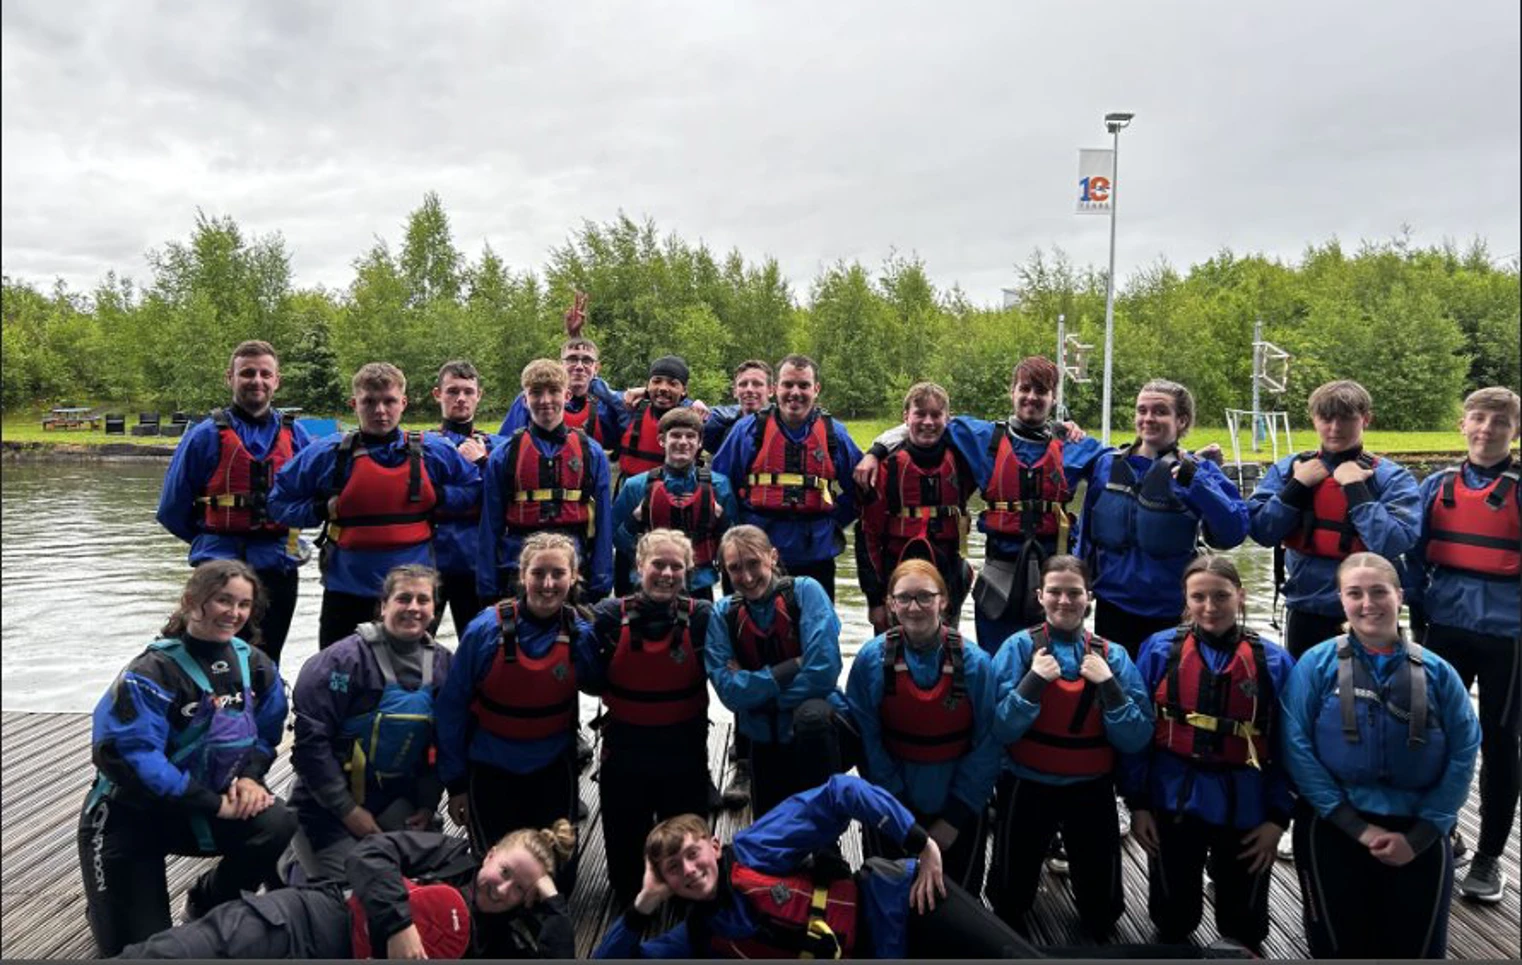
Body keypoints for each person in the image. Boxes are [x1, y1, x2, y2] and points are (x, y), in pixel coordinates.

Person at [77, 561, 295, 956]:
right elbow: (133, 757)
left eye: (244, 604)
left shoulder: (256, 666)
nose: (234, 613)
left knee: (278, 822)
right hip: (130, 815)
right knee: (142, 951)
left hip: (203, 808)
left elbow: (266, 733)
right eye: (222, 600)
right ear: (192, 601)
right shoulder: (152, 672)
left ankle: (209, 901)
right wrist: (213, 803)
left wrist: (249, 777)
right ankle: (111, 908)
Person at [593, 774, 1044, 959]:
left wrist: (919, 840)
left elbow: (841, 792)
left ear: (714, 845)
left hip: (904, 902)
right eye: (673, 870)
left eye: (692, 855)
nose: (689, 872)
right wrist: (644, 903)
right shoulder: (695, 936)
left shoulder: (754, 849)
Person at [1281, 552, 1480, 959]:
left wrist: (1424, 833)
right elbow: (1295, 747)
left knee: (1417, 950)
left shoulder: (1440, 672)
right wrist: (1355, 826)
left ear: (1399, 595)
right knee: (1337, 949)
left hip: (1418, 830)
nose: (1367, 604)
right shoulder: (1315, 665)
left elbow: (1464, 751)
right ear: (1341, 599)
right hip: (1333, 825)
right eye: (1355, 593)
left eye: (1378, 592)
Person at [854, 357, 1104, 653]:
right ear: (1012, 392)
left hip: (1052, 571)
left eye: (1042, 391)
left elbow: (1122, 463)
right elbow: (924, 425)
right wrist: (876, 450)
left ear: (1054, 398)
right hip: (1000, 570)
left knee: (1054, 659)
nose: (1032, 397)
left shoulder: (1076, 447)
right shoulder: (980, 438)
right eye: (1025, 389)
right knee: (996, 662)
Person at [1121, 555, 1296, 953]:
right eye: (1198, 597)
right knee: (1173, 919)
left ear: (1240, 596)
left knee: (1245, 928)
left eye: (1221, 596)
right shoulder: (1158, 650)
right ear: (1185, 601)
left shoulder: (1274, 662)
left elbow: (1289, 747)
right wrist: (1139, 804)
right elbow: (1137, 734)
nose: (1210, 606)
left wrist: (1277, 818)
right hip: (1173, 796)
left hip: (1246, 801)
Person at [115, 822, 577, 960]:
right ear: (491, 852)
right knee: (184, 951)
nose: (502, 888)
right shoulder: (446, 854)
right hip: (316, 920)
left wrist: (552, 901)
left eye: (521, 888)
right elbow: (369, 855)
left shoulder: (501, 942)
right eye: (505, 870)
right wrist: (399, 926)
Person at [988, 555, 1153, 937]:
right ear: (1040, 596)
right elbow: (998, 729)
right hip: (1027, 783)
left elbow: (1137, 737)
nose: (1065, 601)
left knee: (1103, 913)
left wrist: (1110, 687)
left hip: (1090, 787)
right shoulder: (1017, 649)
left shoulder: (1114, 656)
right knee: (1008, 904)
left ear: (1089, 597)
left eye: (1074, 592)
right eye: (1056, 592)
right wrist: (1031, 683)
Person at [268, 362, 480, 649]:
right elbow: (279, 503)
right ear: (354, 403)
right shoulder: (326, 454)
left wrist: (440, 497)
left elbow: (473, 489)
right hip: (346, 588)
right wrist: (319, 509)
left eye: (389, 401)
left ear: (403, 403)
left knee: (411, 685)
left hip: (412, 591)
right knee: (338, 679)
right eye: (369, 402)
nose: (380, 411)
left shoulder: (434, 451)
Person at [437, 533, 599, 895]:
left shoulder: (581, 633)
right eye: (538, 573)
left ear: (573, 577)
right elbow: (451, 710)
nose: (547, 583)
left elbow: (600, 683)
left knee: (559, 883)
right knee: (496, 877)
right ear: (522, 576)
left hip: (552, 768)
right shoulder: (483, 631)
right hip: (492, 768)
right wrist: (456, 785)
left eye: (558, 573)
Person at [1408, 385, 1520, 904]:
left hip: (1508, 636)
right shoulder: (1437, 484)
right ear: (1463, 424)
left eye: (1499, 422)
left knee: (1500, 742)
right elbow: (1411, 555)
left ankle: (1490, 857)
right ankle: (1442, 830)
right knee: (1431, 732)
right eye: (1478, 418)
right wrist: (1413, 609)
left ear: (1513, 431)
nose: (1486, 429)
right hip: (1444, 627)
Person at [287, 565, 454, 882]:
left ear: (434, 609)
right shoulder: (340, 661)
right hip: (326, 805)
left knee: (436, 877)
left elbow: (440, 746)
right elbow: (311, 748)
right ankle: (290, 864)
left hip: (392, 798)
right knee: (350, 892)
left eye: (423, 600)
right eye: (404, 598)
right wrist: (347, 810)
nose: (414, 608)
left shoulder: (445, 665)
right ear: (383, 605)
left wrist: (428, 803)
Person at [845, 559, 1001, 893]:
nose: (914, 607)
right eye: (904, 598)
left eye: (925, 597)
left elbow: (989, 745)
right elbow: (868, 742)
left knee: (960, 900)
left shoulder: (977, 664)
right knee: (888, 895)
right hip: (893, 802)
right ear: (890, 604)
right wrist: (899, 813)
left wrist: (954, 817)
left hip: (956, 804)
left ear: (943, 601)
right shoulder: (869, 661)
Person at [156, 340, 313, 665]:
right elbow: (172, 510)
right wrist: (213, 538)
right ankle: (212, 714)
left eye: (264, 373)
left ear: (276, 380)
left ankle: (264, 713)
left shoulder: (296, 435)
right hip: (219, 565)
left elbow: (313, 498)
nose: (257, 380)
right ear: (230, 378)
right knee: (213, 657)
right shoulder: (204, 436)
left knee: (266, 659)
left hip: (278, 564)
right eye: (247, 373)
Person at [586, 530, 717, 908]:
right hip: (625, 751)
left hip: (684, 751)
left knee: (687, 880)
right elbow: (584, 676)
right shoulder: (608, 616)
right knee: (626, 886)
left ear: (688, 572)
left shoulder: (702, 617)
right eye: (658, 564)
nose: (667, 573)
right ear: (638, 567)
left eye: (677, 566)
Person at [1074, 379, 1249, 660]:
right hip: (1113, 606)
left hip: (1170, 610)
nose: (1148, 418)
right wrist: (1079, 583)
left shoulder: (1199, 471)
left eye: (1159, 411)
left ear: (1181, 420)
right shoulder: (1107, 465)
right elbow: (1085, 535)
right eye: (1142, 410)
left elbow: (1234, 532)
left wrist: (1198, 484)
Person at [1246, 379, 1421, 658]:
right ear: (1314, 419)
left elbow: (1393, 542)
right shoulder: (1289, 469)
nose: (1335, 428)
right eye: (1326, 418)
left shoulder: (1391, 478)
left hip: (1371, 610)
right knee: (1306, 694)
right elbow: (1261, 532)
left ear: (1366, 419)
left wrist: (1356, 490)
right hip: (1306, 607)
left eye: (1346, 419)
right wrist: (1296, 487)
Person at [706, 525, 857, 817]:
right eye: (735, 569)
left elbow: (823, 672)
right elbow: (730, 694)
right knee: (772, 833)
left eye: (754, 564)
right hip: (763, 737)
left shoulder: (806, 592)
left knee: (812, 715)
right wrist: (792, 667)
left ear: (772, 557)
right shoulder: (722, 613)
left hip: (814, 735)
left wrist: (756, 690)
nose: (747, 578)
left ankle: (828, 848)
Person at [711, 354, 863, 600]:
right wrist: (738, 532)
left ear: (816, 389)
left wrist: (832, 522)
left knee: (814, 629)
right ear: (775, 389)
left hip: (814, 553)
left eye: (803, 385)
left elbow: (861, 490)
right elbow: (719, 486)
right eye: (788, 384)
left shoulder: (835, 434)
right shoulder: (746, 431)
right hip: (754, 554)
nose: (795, 392)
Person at [477, 358, 615, 605]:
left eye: (553, 392)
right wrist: (487, 582)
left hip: (574, 565)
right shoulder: (504, 455)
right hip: (518, 565)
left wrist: (602, 578)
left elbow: (604, 518)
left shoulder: (590, 453)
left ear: (568, 395)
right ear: (524, 399)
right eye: (536, 393)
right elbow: (490, 523)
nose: (545, 400)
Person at [854, 383, 979, 635]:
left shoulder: (964, 461)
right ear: (906, 418)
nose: (928, 422)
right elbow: (867, 535)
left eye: (936, 415)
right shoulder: (886, 467)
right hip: (896, 574)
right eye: (920, 414)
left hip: (947, 573)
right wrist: (875, 600)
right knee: (893, 656)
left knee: (946, 652)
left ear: (947, 418)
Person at [612, 407, 740, 601]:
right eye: (676, 436)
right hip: (650, 582)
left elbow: (733, 543)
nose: (683, 442)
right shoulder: (635, 486)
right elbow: (616, 540)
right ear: (662, 440)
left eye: (690, 436)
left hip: (700, 583)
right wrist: (634, 520)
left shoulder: (720, 485)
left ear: (700, 443)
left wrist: (721, 522)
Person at [426, 360, 496, 638]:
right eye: (453, 391)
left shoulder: (496, 447)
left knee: (479, 644)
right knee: (416, 647)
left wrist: (484, 462)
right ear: (438, 394)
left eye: (468, 391)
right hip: (430, 560)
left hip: (476, 563)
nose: (461, 398)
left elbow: (506, 496)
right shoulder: (422, 447)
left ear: (479, 395)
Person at [499, 336, 621, 453]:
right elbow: (505, 445)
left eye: (587, 360)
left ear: (596, 368)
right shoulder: (530, 399)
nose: (579, 366)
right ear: (561, 364)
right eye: (572, 359)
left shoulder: (607, 405)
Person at [703, 359, 775, 455]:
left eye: (757, 384)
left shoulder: (785, 426)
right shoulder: (720, 429)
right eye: (743, 384)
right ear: (735, 392)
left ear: (771, 390)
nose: (749, 389)